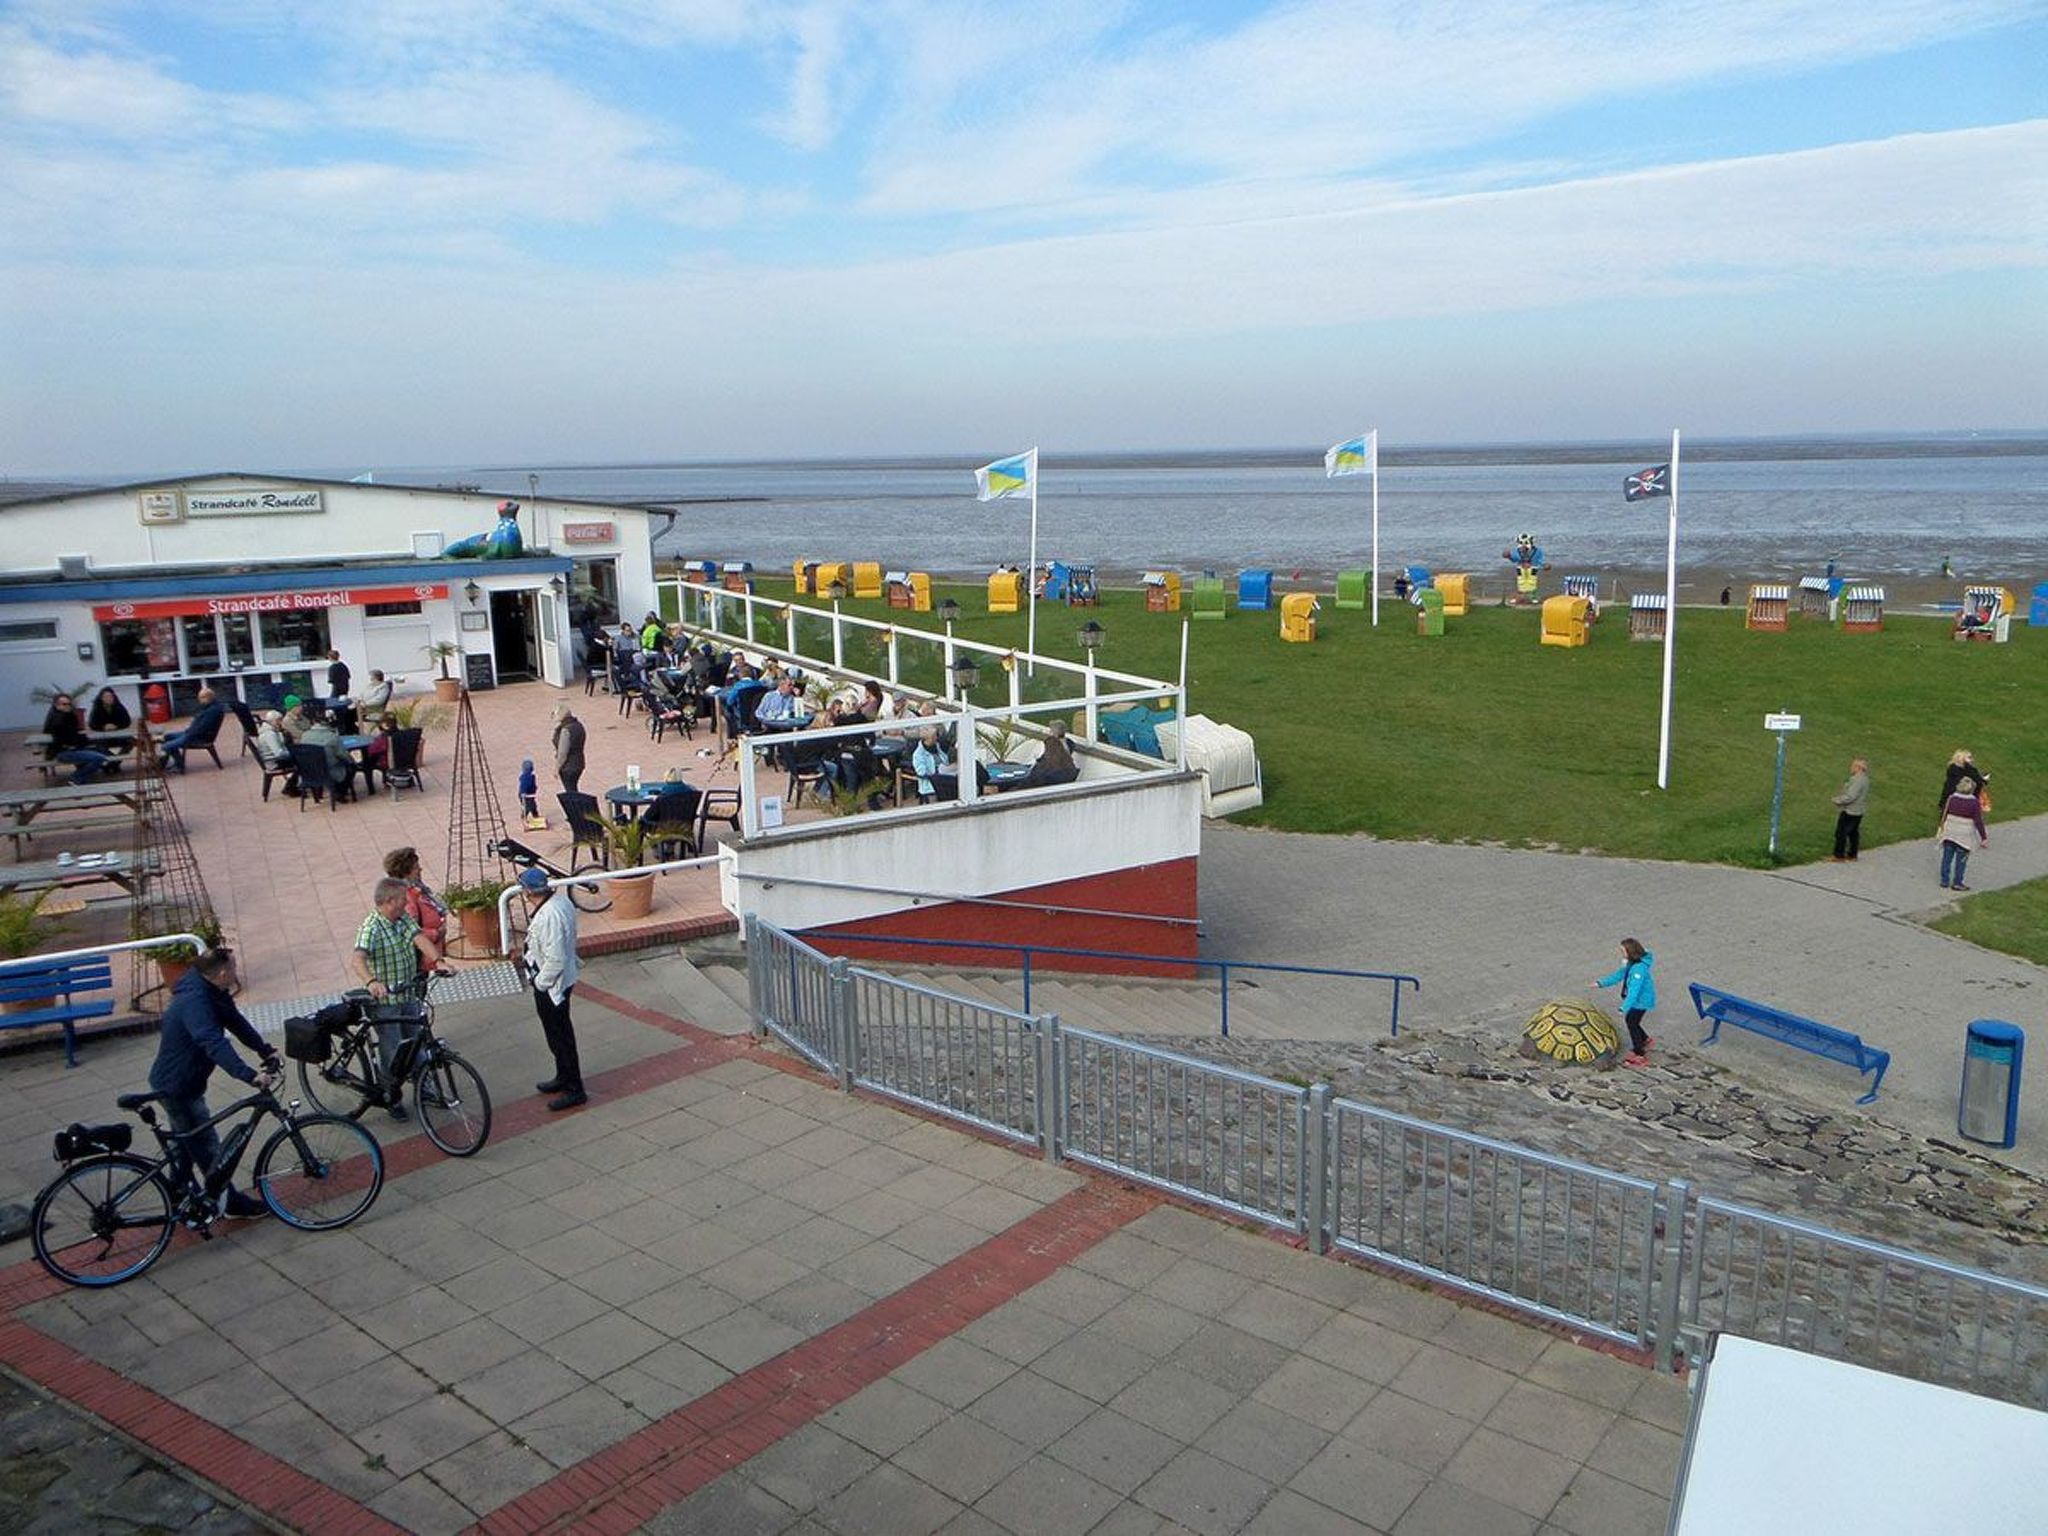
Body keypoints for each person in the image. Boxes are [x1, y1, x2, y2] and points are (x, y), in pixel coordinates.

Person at [147, 949, 282, 1220]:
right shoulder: (196, 1001)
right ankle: (230, 1202)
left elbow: (235, 1022)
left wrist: (264, 1049)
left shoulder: (209, 989)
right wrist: (248, 1075)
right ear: (222, 973)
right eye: (233, 968)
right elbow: (212, 1042)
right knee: (207, 1146)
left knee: (185, 1146)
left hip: (183, 1082)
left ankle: (178, 1195)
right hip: (178, 1087)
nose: (236, 973)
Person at [351, 877, 443, 1119]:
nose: (406, 902)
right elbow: (357, 959)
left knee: (416, 1043)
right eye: (403, 898)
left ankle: (424, 1087)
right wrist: (372, 982)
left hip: (408, 994)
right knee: (392, 1051)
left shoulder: (402, 919)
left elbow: (419, 938)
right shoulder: (371, 927)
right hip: (386, 1003)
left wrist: (439, 961)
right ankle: (391, 1097)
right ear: (390, 901)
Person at [518, 866, 586, 1110]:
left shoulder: (549, 915)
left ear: (527, 891)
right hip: (555, 981)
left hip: (551, 985)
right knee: (557, 1035)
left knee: (560, 1036)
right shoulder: (560, 903)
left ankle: (574, 1088)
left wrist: (540, 983)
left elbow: (555, 958)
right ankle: (563, 1076)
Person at [1594, 938, 1658, 1067]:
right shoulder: (1632, 964)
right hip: (1638, 1000)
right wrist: (1601, 983)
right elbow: (1619, 975)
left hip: (1641, 1001)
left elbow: (1634, 991)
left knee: (1631, 1022)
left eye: (1623, 951)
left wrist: (1624, 1007)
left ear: (1630, 952)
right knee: (1633, 1021)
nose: (1621, 953)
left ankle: (1640, 1054)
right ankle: (1645, 1039)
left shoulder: (1638, 970)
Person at [383, 847, 448, 960]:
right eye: (416, 868)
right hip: (420, 958)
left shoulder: (416, 889)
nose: (420, 870)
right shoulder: (405, 898)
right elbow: (407, 930)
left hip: (429, 954)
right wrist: (437, 933)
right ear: (405, 873)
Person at [40, 692, 118, 784]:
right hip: (64, 752)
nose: (68, 706)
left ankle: (111, 767)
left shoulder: (68, 716)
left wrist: (82, 737)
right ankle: (75, 778)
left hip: (73, 749)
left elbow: (74, 734)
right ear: (57, 705)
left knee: (101, 749)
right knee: (99, 758)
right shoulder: (57, 719)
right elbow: (68, 738)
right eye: (64, 704)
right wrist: (82, 738)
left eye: (69, 704)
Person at [159, 687, 227, 773]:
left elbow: (201, 729)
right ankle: (179, 764)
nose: (199, 701)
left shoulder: (212, 711)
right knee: (168, 736)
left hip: (197, 737)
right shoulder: (210, 707)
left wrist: (187, 734)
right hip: (192, 733)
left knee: (165, 746)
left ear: (207, 698)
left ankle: (169, 767)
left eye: (201, 698)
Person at [1937, 778, 1988, 892]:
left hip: (1950, 831)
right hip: (1964, 835)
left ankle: (1944, 880)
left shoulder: (1951, 798)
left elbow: (1944, 814)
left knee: (1946, 857)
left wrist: (1942, 828)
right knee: (1961, 860)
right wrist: (1983, 837)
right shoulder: (1974, 802)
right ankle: (1957, 883)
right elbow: (1978, 821)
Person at [298, 708, 352, 800]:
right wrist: (351, 761)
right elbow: (343, 755)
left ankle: (319, 794)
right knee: (351, 766)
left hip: (309, 772)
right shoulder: (332, 737)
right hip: (329, 772)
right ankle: (340, 792)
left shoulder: (304, 735)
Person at [1021, 719, 1080, 789]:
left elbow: (1049, 762)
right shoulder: (1069, 744)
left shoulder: (1052, 743)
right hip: (1066, 776)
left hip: (1050, 778)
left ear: (1053, 733)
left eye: (1050, 730)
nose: (1049, 732)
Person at [1830, 758, 1869, 862]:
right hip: (1858, 810)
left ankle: (1838, 855)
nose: (1851, 768)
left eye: (1853, 766)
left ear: (1858, 768)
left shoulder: (1857, 780)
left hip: (1850, 810)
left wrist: (1838, 800)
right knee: (1853, 833)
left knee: (1841, 832)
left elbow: (1851, 796)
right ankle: (1852, 854)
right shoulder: (1864, 779)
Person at [552, 702, 586, 796]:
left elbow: (562, 753)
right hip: (579, 762)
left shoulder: (565, 730)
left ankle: (576, 809)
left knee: (570, 791)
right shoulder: (578, 725)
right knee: (573, 788)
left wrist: (557, 768)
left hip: (568, 767)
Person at [911, 726, 952, 803]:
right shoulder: (918, 754)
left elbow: (946, 760)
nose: (937, 738)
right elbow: (921, 773)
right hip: (931, 784)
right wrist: (937, 774)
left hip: (945, 778)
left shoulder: (937, 746)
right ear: (929, 739)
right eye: (935, 736)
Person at [518, 758, 541, 824]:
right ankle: (524, 817)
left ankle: (535, 815)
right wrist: (523, 793)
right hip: (526, 795)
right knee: (528, 806)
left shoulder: (531, 776)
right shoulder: (526, 777)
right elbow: (523, 786)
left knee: (533, 805)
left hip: (530, 795)